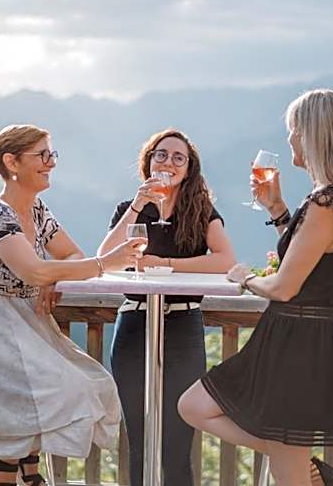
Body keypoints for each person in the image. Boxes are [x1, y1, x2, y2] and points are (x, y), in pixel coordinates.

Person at [0, 124, 145, 486]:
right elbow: (32, 269)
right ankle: (18, 474)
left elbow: (69, 254)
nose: (51, 163)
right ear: (12, 162)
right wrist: (104, 263)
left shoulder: (37, 211)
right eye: (42, 155)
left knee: (89, 383)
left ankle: (26, 471)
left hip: (22, 330)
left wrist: (52, 278)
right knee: (55, 387)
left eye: (51, 154)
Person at [178, 89, 333, 486]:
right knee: (194, 405)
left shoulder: (326, 203)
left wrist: (244, 278)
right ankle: (305, 464)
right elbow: (308, 262)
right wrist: (278, 209)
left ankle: (301, 464)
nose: (289, 139)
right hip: (302, 340)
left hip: (298, 346)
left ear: (312, 135)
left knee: (284, 469)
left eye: (294, 130)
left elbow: (284, 286)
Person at [98, 128, 236, 486]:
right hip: (134, 324)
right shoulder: (130, 209)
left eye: (178, 158)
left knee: (177, 441)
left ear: (188, 169)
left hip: (183, 325)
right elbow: (105, 257)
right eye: (161, 155)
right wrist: (137, 204)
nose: (168, 163)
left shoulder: (201, 211)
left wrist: (167, 264)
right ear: (148, 162)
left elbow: (225, 260)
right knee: (139, 442)